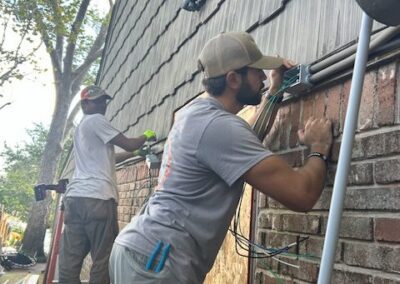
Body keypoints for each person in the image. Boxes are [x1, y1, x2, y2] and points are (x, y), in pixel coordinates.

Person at [109, 32, 333, 284]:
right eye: (257, 71)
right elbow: (301, 194)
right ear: (233, 79)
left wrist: (274, 91)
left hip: (144, 251)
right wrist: (319, 147)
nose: (262, 76)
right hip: (156, 261)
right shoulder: (217, 126)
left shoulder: (197, 115)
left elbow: (244, 141)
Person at [58, 85, 156, 284]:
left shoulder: (82, 128)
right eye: (97, 100)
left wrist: (136, 154)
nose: (103, 104)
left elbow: (110, 157)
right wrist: (146, 136)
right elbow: (128, 143)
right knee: (102, 261)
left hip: (75, 200)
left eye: (104, 100)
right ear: (85, 104)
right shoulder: (96, 120)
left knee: (69, 264)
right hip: (98, 200)